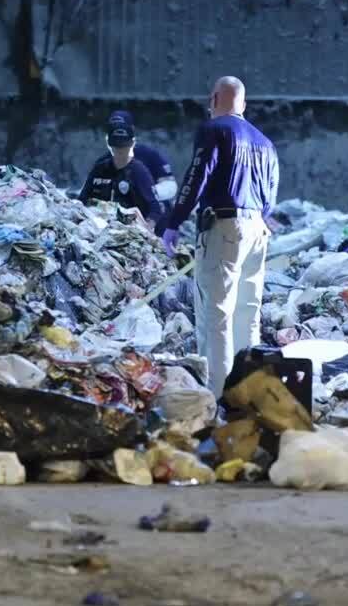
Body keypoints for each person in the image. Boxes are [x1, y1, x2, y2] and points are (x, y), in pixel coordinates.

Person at [158, 76, 279, 395]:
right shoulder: (265, 142)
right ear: (244, 104)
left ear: (213, 100)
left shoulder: (214, 130)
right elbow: (271, 198)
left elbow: (197, 176)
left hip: (224, 227)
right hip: (257, 230)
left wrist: (174, 221)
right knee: (247, 313)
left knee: (217, 314)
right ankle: (248, 391)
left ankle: (218, 396)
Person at [77, 116, 159, 222]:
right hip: (98, 224)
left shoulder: (139, 171)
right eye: (116, 147)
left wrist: (147, 227)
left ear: (131, 144)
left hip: (130, 229)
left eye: (124, 147)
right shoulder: (99, 168)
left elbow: (155, 209)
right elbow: (82, 200)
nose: (120, 152)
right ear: (110, 145)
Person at [105, 110, 178, 223]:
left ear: (132, 130)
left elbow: (170, 186)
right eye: (113, 129)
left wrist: (145, 193)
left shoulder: (148, 154)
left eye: (122, 129)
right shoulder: (105, 160)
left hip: (154, 217)